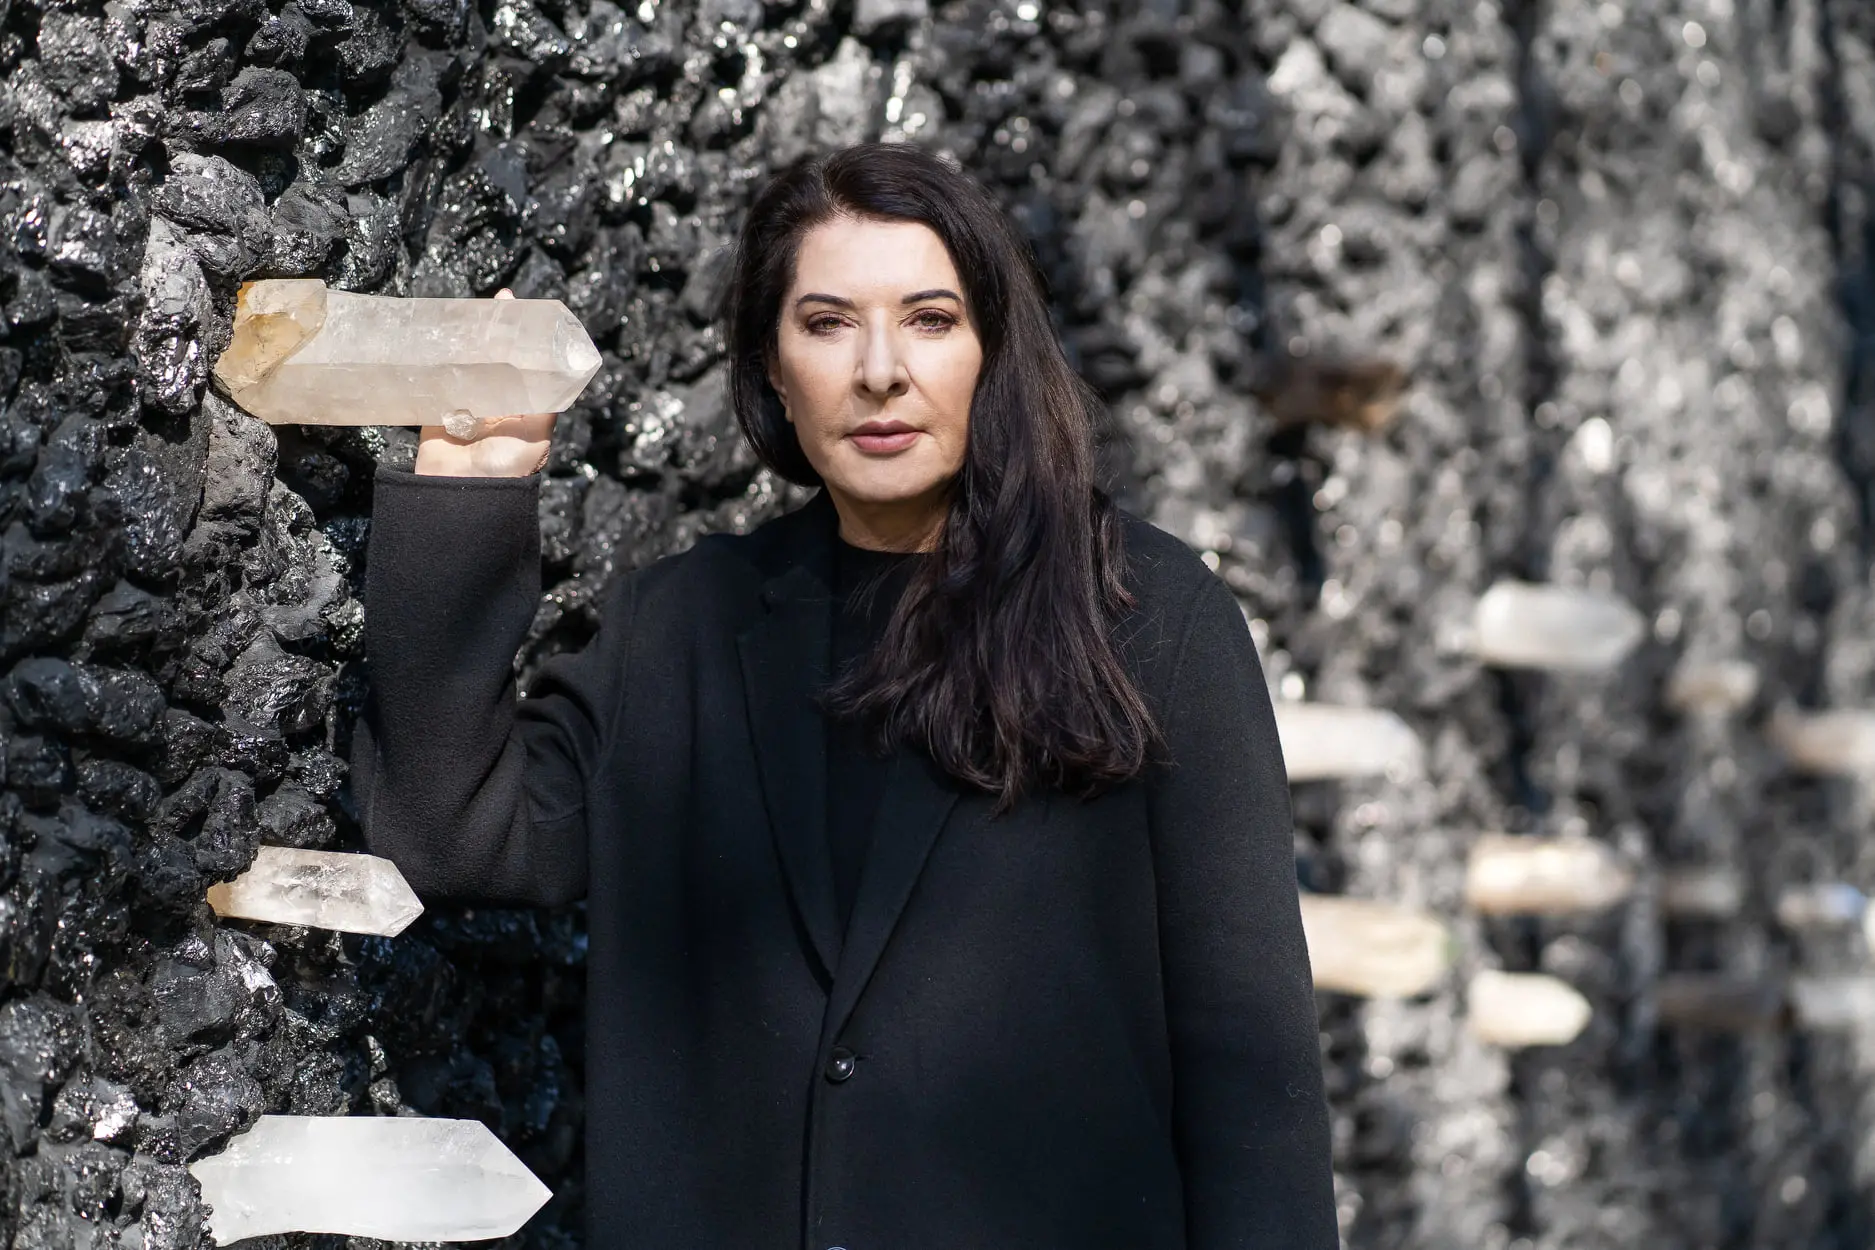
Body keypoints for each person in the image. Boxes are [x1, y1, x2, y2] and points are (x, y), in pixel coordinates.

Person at [350, 142, 1336, 1250]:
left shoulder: (1150, 617)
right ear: (772, 366)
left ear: (991, 348)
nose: (879, 370)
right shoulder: (679, 628)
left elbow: (1253, 1081)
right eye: (825, 323)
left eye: (929, 318)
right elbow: (451, 831)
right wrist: (468, 504)